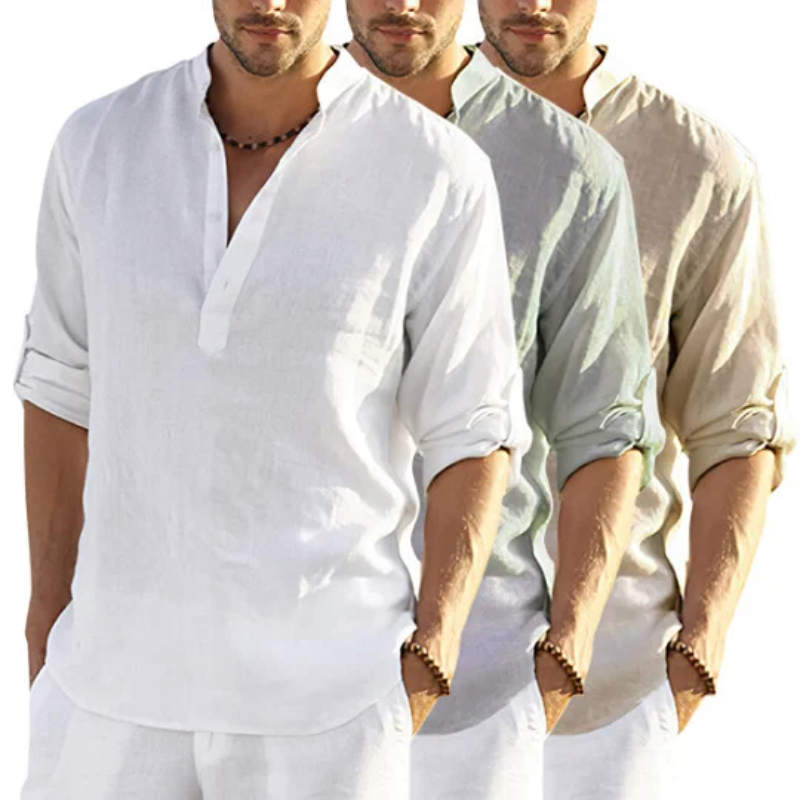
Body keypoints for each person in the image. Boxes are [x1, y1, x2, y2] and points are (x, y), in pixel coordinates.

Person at [13, 1, 534, 797]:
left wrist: (435, 645)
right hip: (105, 694)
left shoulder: (434, 168)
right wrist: (47, 620)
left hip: (330, 703)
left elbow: (472, 426)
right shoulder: (100, 143)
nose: (271, 4)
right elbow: (59, 385)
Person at [476, 0, 794, 796]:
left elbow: (735, 423)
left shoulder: (697, 164)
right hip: (396, 666)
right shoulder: (383, 131)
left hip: (611, 687)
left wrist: (701, 647)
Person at [345, 1, 663, 797]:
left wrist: (569, 647)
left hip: (478, 688)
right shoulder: (252, 144)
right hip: (273, 668)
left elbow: (605, 423)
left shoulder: (569, 166)